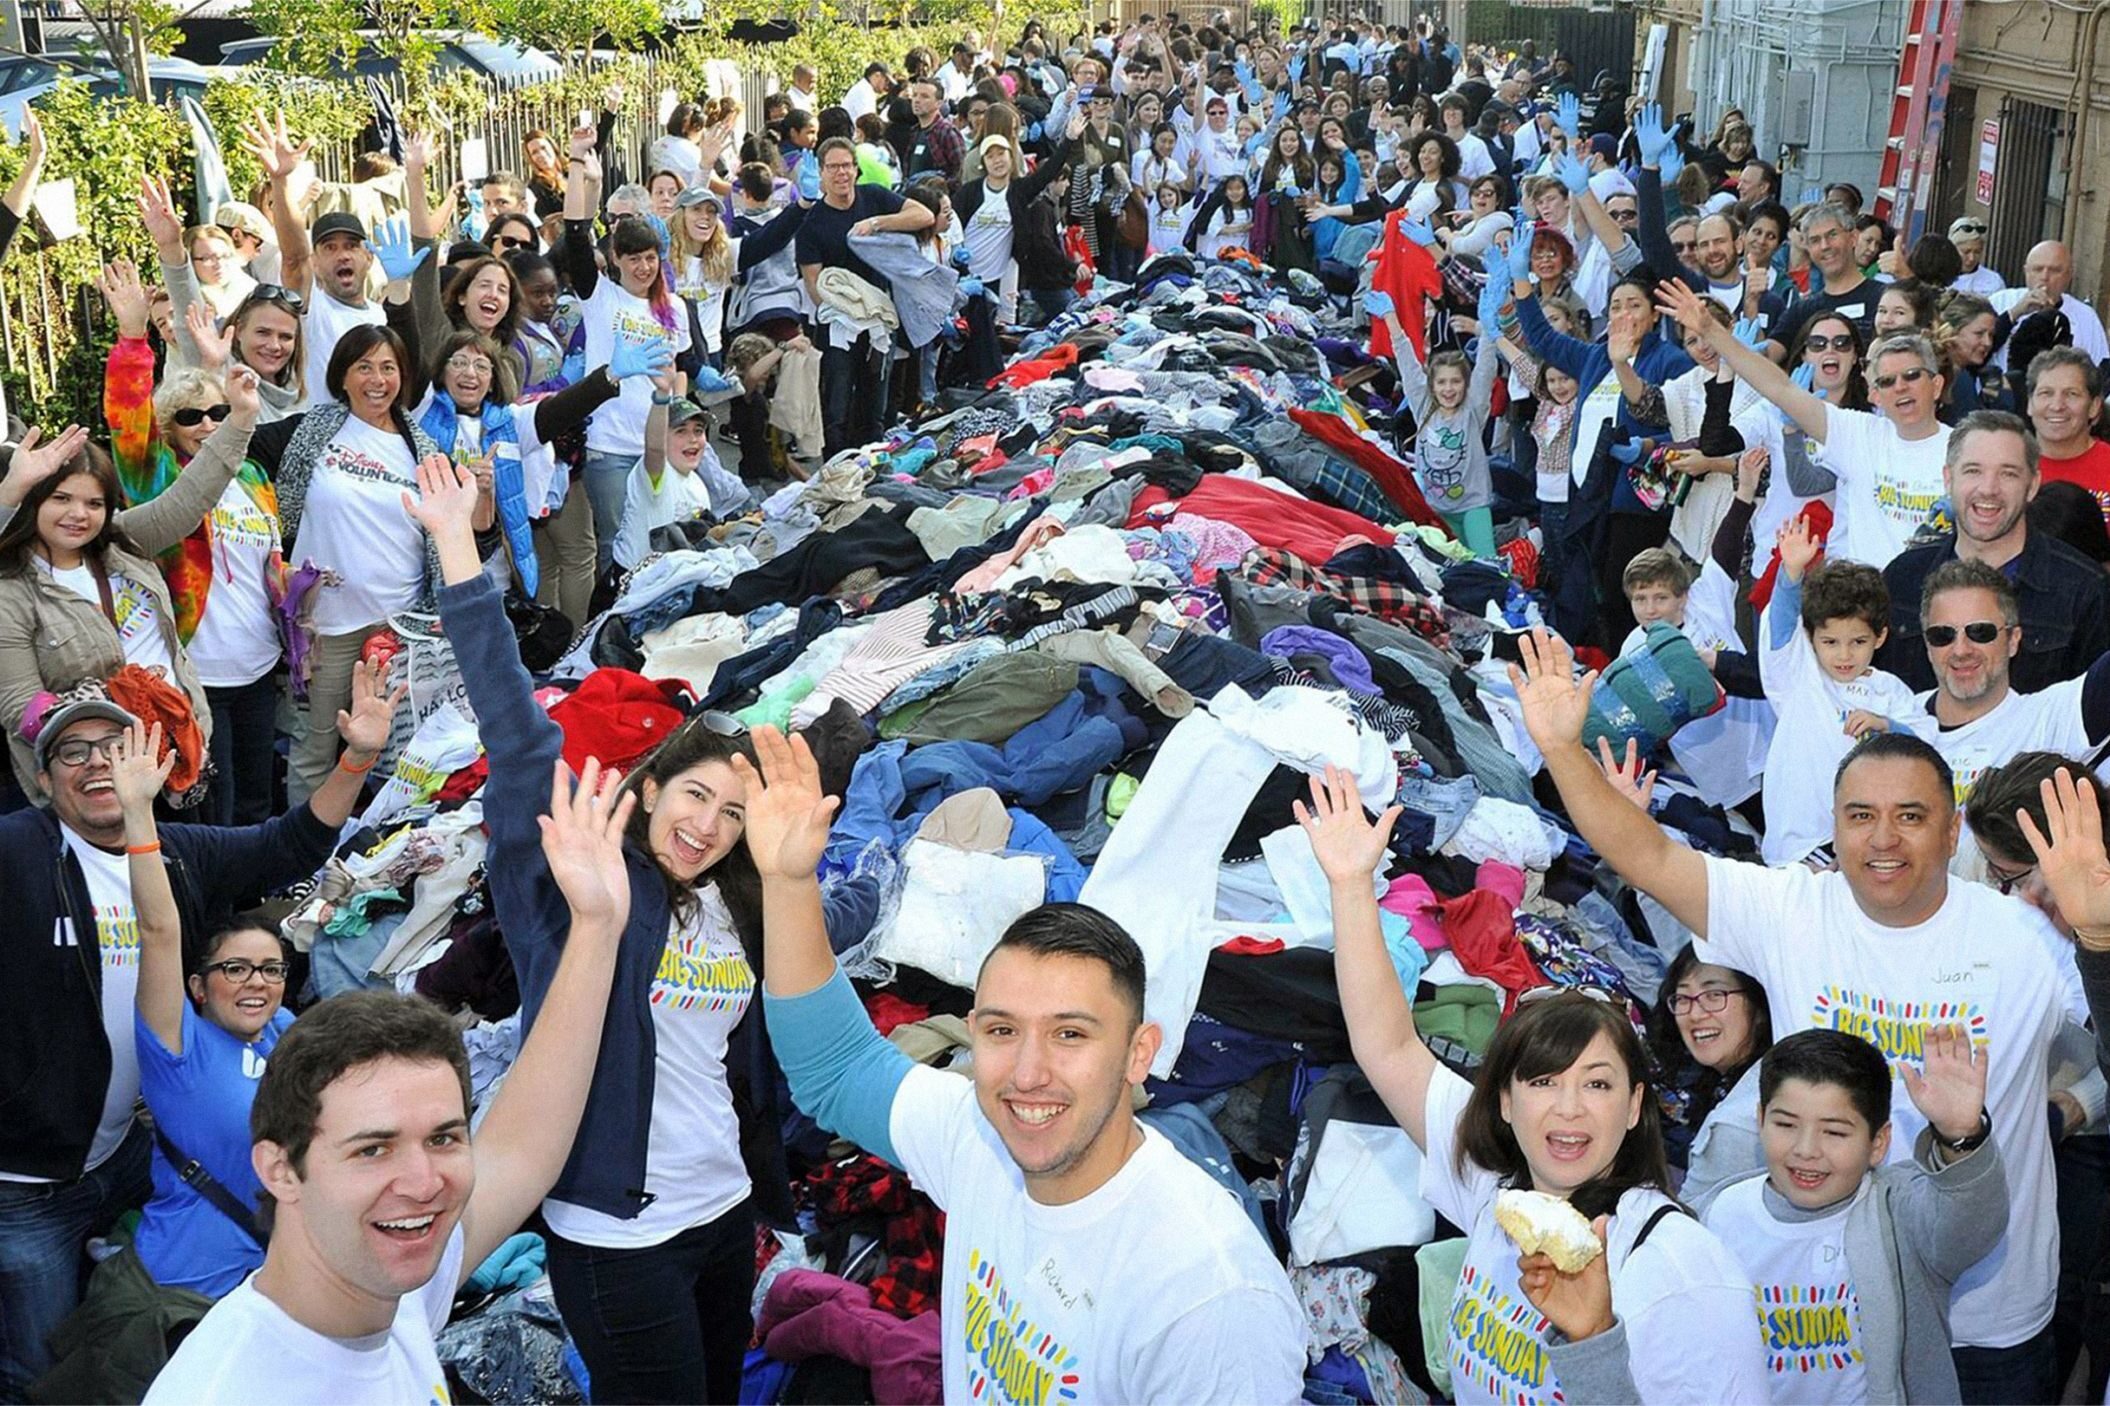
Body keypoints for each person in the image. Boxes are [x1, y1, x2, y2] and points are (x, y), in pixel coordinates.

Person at [1508, 627, 2070, 1402]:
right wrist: (1564, 750)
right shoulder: (1791, 909)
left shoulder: (2028, 938)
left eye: (1911, 816)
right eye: (1860, 815)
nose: (1883, 839)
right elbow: (1652, 859)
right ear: (1831, 826)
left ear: (1953, 829)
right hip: (1836, 1317)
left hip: (1991, 1309)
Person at [409, 460, 864, 1402]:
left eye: (732, 815)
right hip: (616, 1236)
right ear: (648, 787)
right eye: (696, 795)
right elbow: (515, 722)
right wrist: (459, 545)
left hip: (724, 1212)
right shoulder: (578, 887)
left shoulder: (735, 900)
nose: (708, 826)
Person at [743, 726, 1309, 1402]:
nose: (1029, 1072)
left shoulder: (1211, 1301)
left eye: (1070, 1034)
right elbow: (835, 1069)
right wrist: (786, 881)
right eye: (1003, 1030)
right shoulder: (980, 1143)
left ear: (1139, 1053)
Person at [142, 753, 638, 1404]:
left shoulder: (391, 1295)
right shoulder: (228, 1389)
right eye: (372, 1148)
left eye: (443, 1138)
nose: (425, 1181)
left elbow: (524, 1145)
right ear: (280, 1169)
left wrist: (598, 930)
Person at [1297, 765, 1770, 1403]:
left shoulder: (1679, 1267)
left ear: (1635, 1107)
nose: (1570, 1109)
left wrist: (1595, 1339)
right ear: (1504, 1102)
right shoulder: (1496, 1192)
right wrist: (1352, 886)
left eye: (1599, 1085)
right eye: (1544, 1081)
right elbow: (1386, 1046)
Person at [0, 665, 398, 1399]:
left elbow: (290, 843)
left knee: (114, 1329)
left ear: (147, 762)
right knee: (38, 1367)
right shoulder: (16, 854)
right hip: (27, 1180)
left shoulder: (179, 853)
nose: (95, 765)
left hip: (130, 1147)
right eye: (73, 751)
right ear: (43, 775)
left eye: (111, 748)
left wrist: (358, 758)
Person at [1705, 1027, 2010, 1405]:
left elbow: (1970, 1225)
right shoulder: (1720, 1214)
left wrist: (1961, 1135)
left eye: (1834, 1132)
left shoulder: (1899, 1210)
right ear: (1760, 1118)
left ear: (1878, 1143)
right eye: (1785, 1124)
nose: (1806, 1150)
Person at [108, 718, 290, 1298]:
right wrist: (138, 812)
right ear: (198, 987)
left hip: (267, 1287)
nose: (255, 984)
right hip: (186, 1296)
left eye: (271, 970)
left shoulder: (282, 1033)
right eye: (234, 969)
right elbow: (160, 929)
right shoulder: (177, 1046)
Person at [100, 260, 285, 827]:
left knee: (257, 797)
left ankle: (257, 908)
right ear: (168, 426)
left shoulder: (252, 477)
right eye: (189, 415)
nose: (207, 422)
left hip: (259, 667)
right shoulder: (158, 478)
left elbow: (269, 562)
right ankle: (215, 915)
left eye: (217, 413)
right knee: (213, 809)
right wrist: (133, 337)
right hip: (197, 676)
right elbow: (126, 421)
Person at [1662, 278, 1949, 569]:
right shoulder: (1835, 424)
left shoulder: (1880, 426)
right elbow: (1766, 400)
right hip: (1785, 561)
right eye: (1818, 343)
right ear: (1803, 354)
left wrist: (1791, 433)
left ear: (1855, 359)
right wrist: (1719, 347)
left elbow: (1806, 482)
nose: (1830, 350)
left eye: (1842, 343)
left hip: (1867, 573)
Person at [1875, 410, 2110, 695]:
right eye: (1973, 470)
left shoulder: (2086, 592)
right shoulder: (1902, 578)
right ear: (1948, 479)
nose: (1988, 489)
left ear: (2032, 485)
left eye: (2008, 473)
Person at [559, 124, 691, 574]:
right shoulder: (600, 298)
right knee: (616, 546)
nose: (642, 266)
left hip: (659, 443)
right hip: (610, 449)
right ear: (615, 259)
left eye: (650, 257)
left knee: (665, 537)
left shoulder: (673, 307)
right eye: (632, 257)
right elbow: (575, 233)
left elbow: (679, 369)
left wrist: (680, 419)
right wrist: (579, 163)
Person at [1761, 518, 1925, 866]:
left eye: (1858, 642)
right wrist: (1791, 572)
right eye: (1831, 642)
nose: (1844, 655)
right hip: (1799, 847)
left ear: (1880, 637)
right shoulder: (1798, 677)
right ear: (1810, 638)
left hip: (1864, 848)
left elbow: (1925, 745)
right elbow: (1781, 624)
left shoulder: (1890, 692)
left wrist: (1885, 726)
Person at [1909, 556, 2110, 801]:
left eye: (1980, 632)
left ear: (2013, 640)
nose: (1961, 650)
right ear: (1927, 645)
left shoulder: (2049, 719)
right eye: (1942, 635)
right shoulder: (1889, 715)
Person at [795, 137, 936, 459]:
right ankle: (836, 468)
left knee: (876, 406)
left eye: (846, 165)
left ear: (856, 169)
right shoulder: (812, 224)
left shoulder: (873, 198)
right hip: (839, 326)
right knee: (837, 407)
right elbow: (815, 286)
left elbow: (924, 216)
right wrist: (850, 311)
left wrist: (876, 223)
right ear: (821, 173)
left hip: (880, 321)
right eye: (833, 167)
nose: (841, 173)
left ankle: (874, 468)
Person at [242, 113, 388, 398]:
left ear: (368, 257)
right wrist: (280, 181)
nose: (342, 255)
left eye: (351, 246)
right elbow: (294, 258)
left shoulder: (381, 315)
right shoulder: (312, 308)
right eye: (329, 248)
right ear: (316, 263)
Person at [1649, 946, 1773, 1211]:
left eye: (1714, 995)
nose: (1695, 1014)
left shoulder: (1737, 1124)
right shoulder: (1724, 1083)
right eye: (1683, 998)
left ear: (1759, 1006)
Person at [1771, 204, 1878, 353]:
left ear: (1853, 238)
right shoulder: (1801, 311)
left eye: (1832, 235)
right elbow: (1767, 356)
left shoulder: (1883, 298)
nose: (1824, 246)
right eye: (1815, 240)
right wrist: (1753, 303)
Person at [1993, 241, 2110, 369]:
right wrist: (2014, 313)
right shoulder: (2000, 301)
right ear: (2026, 271)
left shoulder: (2086, 316)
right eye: (2038, 269)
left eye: (2055, 270)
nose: (2044, 277)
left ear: (2069, 275)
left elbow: (2099, 368)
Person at [2027, 346, 2110, 515]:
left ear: (2094, 406)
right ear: (2029, 403)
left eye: (2071, 394)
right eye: (2046, 393)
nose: (2057, 406)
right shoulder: (2009, 468)